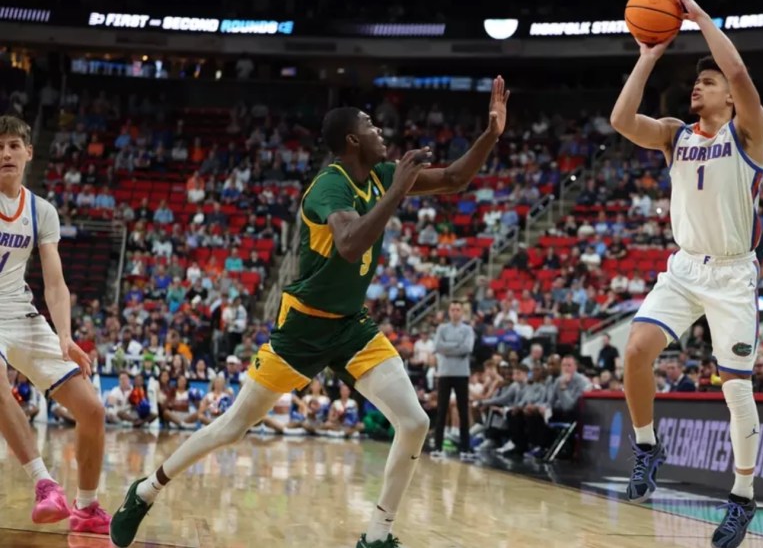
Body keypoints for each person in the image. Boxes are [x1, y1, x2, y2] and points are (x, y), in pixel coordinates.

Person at [109, 76, 509, 548]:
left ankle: (377, 536)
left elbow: (455, 178)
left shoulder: (381, 176)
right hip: (303, 326)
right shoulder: (328, 187)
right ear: (352, 140)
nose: (381, 131)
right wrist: (397, 191)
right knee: (233, 427)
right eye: (371, 125)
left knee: (415, 422)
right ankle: (146, 490)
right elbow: (349, 243)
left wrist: (490, 135)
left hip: (350, 326)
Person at [609, 0, 763, 547]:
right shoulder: (675, 135)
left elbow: (740, 73)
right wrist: (648, 55)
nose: (699, 85)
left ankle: (742, 497)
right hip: (684, 269)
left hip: (732, 274)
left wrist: (700, 19)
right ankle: (648, 446)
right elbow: (621, 119)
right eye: (697, 81)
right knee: (635, 351)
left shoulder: (748, 132)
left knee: (736, 390)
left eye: (709, 82)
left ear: (729, 97)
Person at [0, 115, 110, 533]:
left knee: (92, 410)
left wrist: (65, 336)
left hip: (21, 313)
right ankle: (45, 484)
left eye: (13, 145)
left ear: (29, 153)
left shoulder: (41, 211)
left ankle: (87, 508)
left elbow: (55, 282)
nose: (5, 153)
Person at [431, 301, 475, 459]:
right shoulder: (442, 328)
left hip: (462, 374)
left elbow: (467, 348)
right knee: (441, 410)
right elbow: (437, 346)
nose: (455, 312)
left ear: (462, 312)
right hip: (444, 373)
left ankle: (465, 448)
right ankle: (438, 447)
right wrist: (456, 346)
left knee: (463, 411)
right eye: (452, 309)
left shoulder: (468, 329)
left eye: (458, 309)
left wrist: (447, 348)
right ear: (449, 312)